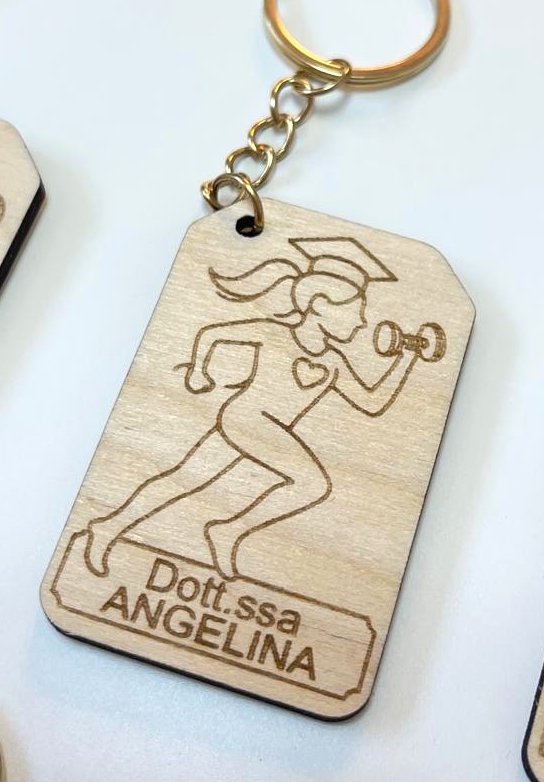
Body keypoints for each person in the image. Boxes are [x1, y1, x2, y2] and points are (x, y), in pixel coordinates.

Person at [84, 238, 438, 579]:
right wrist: (198, 372)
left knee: (181, 480)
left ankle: (107, 527)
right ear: (319, 305)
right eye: (355, 311)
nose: (361, 322)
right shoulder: (275, 334)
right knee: (310, 482)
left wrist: (408, 357)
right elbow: (212, 334)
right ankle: (228, 531)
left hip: (260, 429)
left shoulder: (332, 362)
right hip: (247, 419)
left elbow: (372, 403)